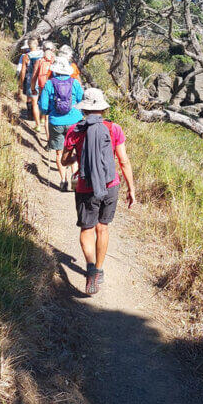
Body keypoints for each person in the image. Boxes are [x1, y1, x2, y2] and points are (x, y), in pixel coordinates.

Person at [61, 87, 135, 295]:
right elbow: (123, 160)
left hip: (86, 187)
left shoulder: (75, 130)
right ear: (102, 108)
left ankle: (90, 267)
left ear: (83, 109)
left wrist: (76, 158)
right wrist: (131, 188)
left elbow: (65, 160)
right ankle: (100, 269)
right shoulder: (114, 129)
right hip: (110, 185)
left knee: (87, 229)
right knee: (102, 228)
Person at [39, 56, 84, 189]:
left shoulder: (49, 83)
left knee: (59, 153)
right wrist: (79, 114)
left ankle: (63, 180)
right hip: (74, 121)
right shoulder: (75, 82)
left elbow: (43, 105)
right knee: (75, 150)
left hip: (56, 122)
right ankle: (74, 178)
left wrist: (49, 113)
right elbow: (82, 100)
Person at [31, 43, 56, 143]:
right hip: (56, 91)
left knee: (46, 118)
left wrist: (33, 88)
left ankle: (49, 141)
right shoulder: (56, 61)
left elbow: (34, 77)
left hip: (43, 91)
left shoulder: (39, 61)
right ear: (53, 50)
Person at [18, 37, 43, 128]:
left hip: (31, 79)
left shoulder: (26, 56)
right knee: (41, 99)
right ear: (36, 44)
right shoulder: (42, 54)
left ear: (28, 45)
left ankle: (37, 123)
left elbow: (23, 71)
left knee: (34, 102)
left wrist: (21, 83)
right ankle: (42, 118)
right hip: (42, 79)